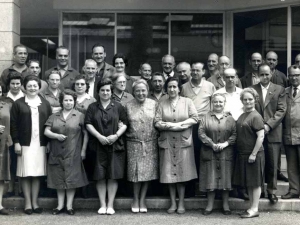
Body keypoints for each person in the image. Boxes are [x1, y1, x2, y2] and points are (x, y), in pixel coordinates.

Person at [155, 77, 198, 214]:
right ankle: (173, 203)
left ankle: (182, 203)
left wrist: (179, 125)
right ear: (166, 89)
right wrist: (168, 125)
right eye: (169, 87)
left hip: (183, 142)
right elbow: (157, 121)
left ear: (179, 89)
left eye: (174, 87)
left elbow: (195, 118)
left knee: (182, 173)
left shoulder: (187, 102)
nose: (172, 89)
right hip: (167, 142)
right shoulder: (162, 103)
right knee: (169, 174)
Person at [10, 75, 52, 215]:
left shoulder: (45, 103)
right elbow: (13, 125)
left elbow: (49, 124)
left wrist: (47, 143)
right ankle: (27, 203)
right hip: (24, 144)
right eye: (29, 86)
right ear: (24, 87)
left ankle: (35, 202)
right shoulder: (19, 103)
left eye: (35, 85)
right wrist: (16, 142)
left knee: (37, 174)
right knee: (26, 174)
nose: (32, 88)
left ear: (39, 87)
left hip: (40, 144)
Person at [85, 80, 128, 215]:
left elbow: (125, 124)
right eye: (102, 90)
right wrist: (99, 137)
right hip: (98, 145)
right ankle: (102, 204)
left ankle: (110, 205)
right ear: (98, 92)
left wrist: (115, 136)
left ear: (111, 92)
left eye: (108, 90)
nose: (105, 92)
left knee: (113, 175)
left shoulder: (118, 106)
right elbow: (88, 123)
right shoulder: (92, 107)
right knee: (100, 175)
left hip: (115, 145)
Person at [44, 89, 88, 215]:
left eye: (71, 100)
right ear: (61, 102)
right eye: (66, 100)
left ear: (74, 102)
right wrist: (56, 136)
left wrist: (83, 150)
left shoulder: (79, 115)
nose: (68, 103)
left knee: (71, 178)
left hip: (73, 151)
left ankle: (69, 206)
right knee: (58, 178)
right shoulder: (54, 116)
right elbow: (46, 131)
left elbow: (85, 133)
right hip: (56, 151)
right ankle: (59, 205)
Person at [251, 64, 286, 204]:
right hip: (255, 132)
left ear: (271, 74)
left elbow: (281, 110)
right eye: (262, 74)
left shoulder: (279, 89)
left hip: (273, 132)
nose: (264, 77)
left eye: (267, 74)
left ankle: (272, 191)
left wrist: (268, 125)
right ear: (258, 74)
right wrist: (259, 126)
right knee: (258, 162)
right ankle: (259, 191)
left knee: (272, 163)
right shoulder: (252, 90)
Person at [198, 93, 236, 215]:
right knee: (210, 178)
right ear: (212, 103)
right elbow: (201, 133)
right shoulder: (205, 117)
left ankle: (226, 205)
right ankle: (209, 205)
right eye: (215, 102)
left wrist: (225, 144)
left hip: (226, 152)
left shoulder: (230, 118)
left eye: (220, 102)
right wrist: (211, 144)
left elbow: (235, 134)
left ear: (224, 103)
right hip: (210, 151)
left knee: (225, 178)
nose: (218, 104)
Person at [125, 79, 158, 213]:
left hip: (150, 143)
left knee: (147, 173)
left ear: (148, 91)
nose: (140, 93)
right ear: (133, 92)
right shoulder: (127, 105)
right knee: (135, 174)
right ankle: (135, 198)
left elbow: (158, 121)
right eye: (137, 91)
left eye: (143, 90)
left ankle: (142, 199)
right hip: (133, 144)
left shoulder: (154, 104)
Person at [2, 72, 24, 199]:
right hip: (7, 133)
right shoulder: (4, 98)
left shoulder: (26, 97)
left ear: (21, 85)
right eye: (13, 83)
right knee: (9, 161)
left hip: (22, 133)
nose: (15, 86)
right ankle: (10, 188)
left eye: (18, 84)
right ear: (9, 84)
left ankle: (20, 188)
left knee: (20, 161)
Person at [281, 65, 300, 199]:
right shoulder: (285, 92)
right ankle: (294, 190)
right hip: (288, 134)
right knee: (291, 165)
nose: (294, 78)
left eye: (297, 75)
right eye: (292, 75)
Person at [0, 83, 13, 215]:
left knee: (0, 175)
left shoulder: (7, 105)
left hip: (2, 145)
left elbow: (13, 122)